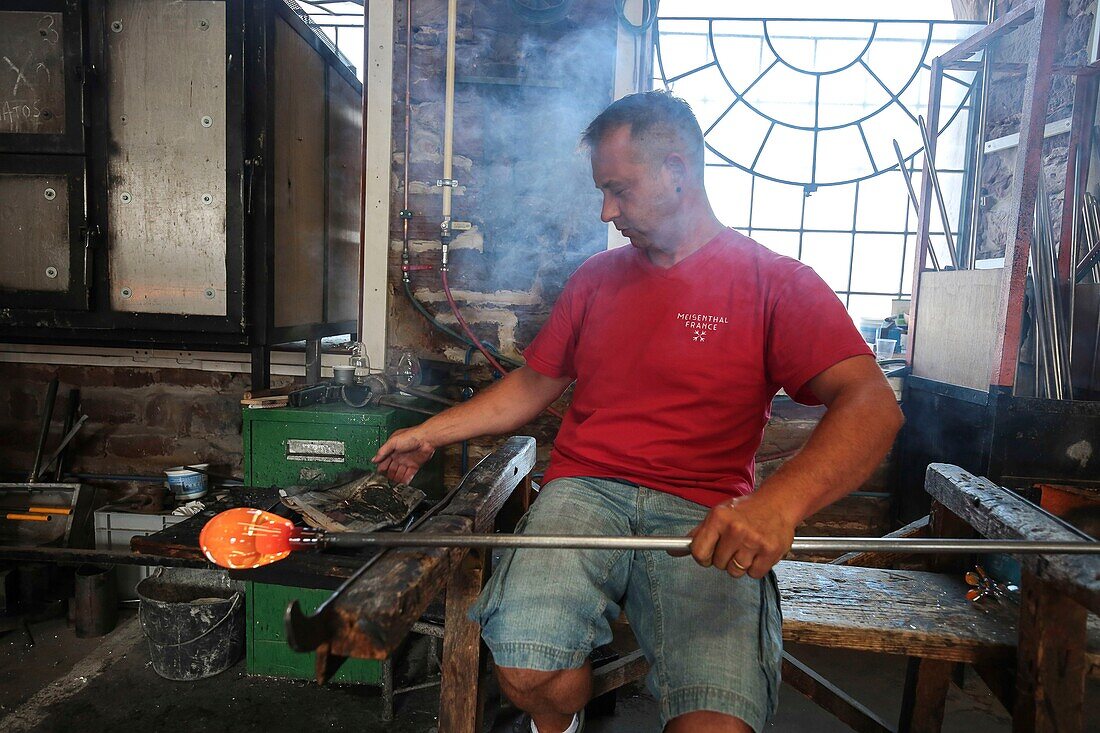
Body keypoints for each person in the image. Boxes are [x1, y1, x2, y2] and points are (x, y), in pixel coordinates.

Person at [373, 91, 904, 733]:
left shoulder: (777, 283)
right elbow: (532, 385)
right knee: (528, 673)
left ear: (677, 172)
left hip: (705, 509)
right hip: (585, 493)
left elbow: (872, 405)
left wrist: (778, 505)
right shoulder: (596, 279)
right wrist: (429, 432)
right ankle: (560, 722)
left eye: (618, 190)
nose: (606, 210)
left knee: (717, 724)